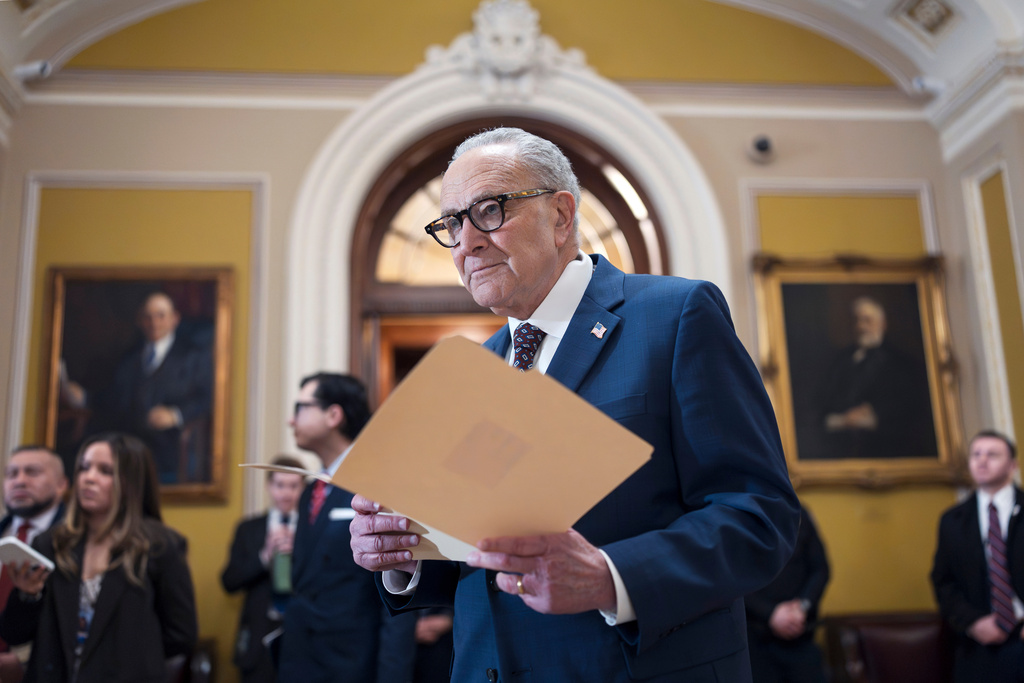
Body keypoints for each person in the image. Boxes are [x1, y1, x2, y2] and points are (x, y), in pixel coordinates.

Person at [349, 127, 799, 681]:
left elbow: (759, 517)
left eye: (489, 210)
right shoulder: (473, 371)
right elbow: (481, 558)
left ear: (562, 215)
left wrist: (612, 577)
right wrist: (404, 554)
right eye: (451, 224)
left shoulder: (676, 315)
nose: (466, 242)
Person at [0, 432, 198, 682]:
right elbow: (15, 634)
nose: (88, 478)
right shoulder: (51, 542)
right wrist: (27, 595)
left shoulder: (159, 545)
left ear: (131, 481)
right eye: (84, 468)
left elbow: (181, 635)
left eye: (105, 471)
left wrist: (131, 660)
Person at [277, 372, 415, 683]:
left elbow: (397, 594)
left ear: (333, 415)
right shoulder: (310, 491)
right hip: (299, 661)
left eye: (300, 408)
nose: (290, 419)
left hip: (353, 666)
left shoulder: (376, 482)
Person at [63, 291, 213, 484]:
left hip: (169, 446)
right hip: (127, 443)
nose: (154, 322)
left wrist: (176, 415)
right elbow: (113, 396)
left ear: (174, 319)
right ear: (140, 321)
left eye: (161, 316)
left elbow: (207, 398)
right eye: (148, 317)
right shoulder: (130, 356)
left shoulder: (193, 356)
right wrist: (84, 397)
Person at [931, 429, 1024, 682]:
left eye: (992, 454)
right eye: (976, 454)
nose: (982, 460)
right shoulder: (953, 520)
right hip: (979, 646)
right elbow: (943, 582)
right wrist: (973, 623)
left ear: (1012, 465)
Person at [812, 296, 935, 459]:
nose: (861, 326)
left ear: (883, 324)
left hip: (889, 451)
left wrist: (874, 415)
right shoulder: (839, 361)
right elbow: (821, 403)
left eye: (867, 320)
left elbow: (914, 411)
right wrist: (842, 418)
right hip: (840, 452)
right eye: (856, 320)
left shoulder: (903, 364)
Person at [222, 455, 305, 683]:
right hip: (258, 636)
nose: (286, 493)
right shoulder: (248, 528)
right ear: (269, 486)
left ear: (303, 488)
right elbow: (229, 582)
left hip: (303, 635)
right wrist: (263, 557)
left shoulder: (312, 528)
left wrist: (299, 553)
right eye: (280, 485)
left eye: (293, 486)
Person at [0, 446, 69, 682]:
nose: (19, 481)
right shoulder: (4, 533)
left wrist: (22, 661)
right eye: (11, 474)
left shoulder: (77, 541)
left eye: (32, 472)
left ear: (62, 485)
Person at [745, 504, 830, 683]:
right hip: (755, 639)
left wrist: (802, 606)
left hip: (800, 631)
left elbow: (820, 569)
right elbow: (730, 579)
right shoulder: (735, 516)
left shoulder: (800, 513)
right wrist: (771, 614)